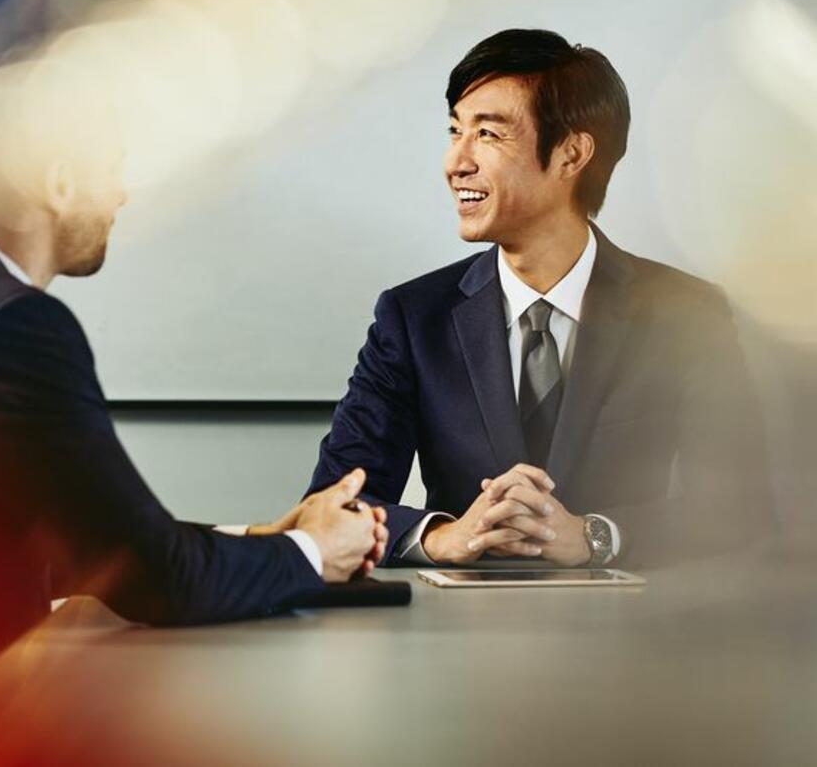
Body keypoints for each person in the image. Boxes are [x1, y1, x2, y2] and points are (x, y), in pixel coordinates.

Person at [0, 71, 388, 689]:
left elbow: (94, 541)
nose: (123, 195)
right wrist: (316, 554)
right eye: (113, 168)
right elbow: (157, 582)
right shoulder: (14, 327)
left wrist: (266, 535)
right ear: (59, 182)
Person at [306, 29, 772, 568]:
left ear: (572, 153)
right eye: (456, 131)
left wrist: (596, 537)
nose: (456, 162)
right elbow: (331, 507)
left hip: (636, 634)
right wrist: (444, 538)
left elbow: (743, 509)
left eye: (488, 134)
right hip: (453, 638)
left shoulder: (687, 316)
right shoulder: (413, 318)